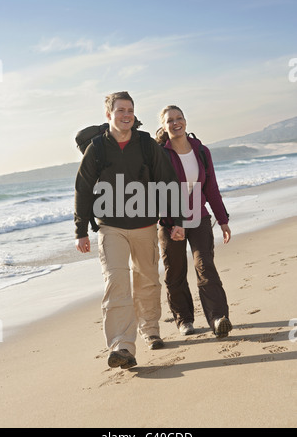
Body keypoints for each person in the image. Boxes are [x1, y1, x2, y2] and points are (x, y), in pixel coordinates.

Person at [74, 92, 185, 370]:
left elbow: (167, 180)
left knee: (147, 279)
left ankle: (150, 329)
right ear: (108, 115)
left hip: (145, 225)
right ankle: (122, 345)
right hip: (111, 228)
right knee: (116, 282)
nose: (126, 115)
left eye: (130, 110)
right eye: (121, 110)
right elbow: (84, 189)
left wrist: (176, 221)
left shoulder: (146, 144)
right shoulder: (96, 148)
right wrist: (81, 230)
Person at [155, 105, 233, 338]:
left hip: (199, 218)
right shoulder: (159, 154)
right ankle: (184, 320)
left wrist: (223, 219)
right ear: (163, 125)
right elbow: (157, 192)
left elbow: (211, 188)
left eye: (179, 118)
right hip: (170, 223)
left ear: (186, 121)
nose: (176, 123)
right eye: (170, 120)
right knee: (175, 272)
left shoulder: (201, 150)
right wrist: (169, 223)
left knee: (205, 265)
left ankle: (218, 318)